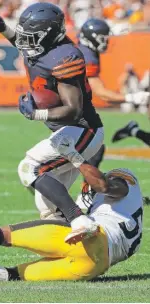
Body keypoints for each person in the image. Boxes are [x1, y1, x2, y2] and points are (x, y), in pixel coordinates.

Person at [0, 2, 105, 235]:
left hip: (83, 131)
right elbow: (21, 43)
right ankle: (83, 239)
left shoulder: (63, 57)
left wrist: (35, 113)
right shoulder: (42, 48)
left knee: (29, 168)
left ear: (48, 36)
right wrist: (3, 28)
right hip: (67, 133)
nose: (24, 41)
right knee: (47, 207)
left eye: (32, 37)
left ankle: (80, 221)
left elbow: (74, 109)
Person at [0, 162, 143, 281]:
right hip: (91, 268)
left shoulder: (124, 183)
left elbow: (103, 185)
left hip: (91, 238)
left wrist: (78, 160)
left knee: (4, 235)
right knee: (15, 275)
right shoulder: (130, 222)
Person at [76, 17, 150, 208]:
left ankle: (84, 197)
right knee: (89, 151)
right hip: (68, 111)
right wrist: (131, 98)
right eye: (103, 38)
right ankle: (81, 201)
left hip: (73, 109)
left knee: (93, 149)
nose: (107, 42)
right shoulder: (87, 55)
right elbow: (101, 93)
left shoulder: (84, 51)